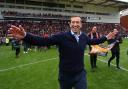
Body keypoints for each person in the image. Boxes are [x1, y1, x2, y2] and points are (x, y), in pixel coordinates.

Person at [8, 16, 114, 89]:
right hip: (65, 76)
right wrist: (26, 36)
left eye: (77, 22)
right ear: (70, 24)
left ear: (81, 24)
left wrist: (105, 37)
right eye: (73, 22)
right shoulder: (62, 36)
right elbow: (44, 41)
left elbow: (93, 41)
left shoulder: (84, 36)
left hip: (80, 74)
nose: (75, 24)